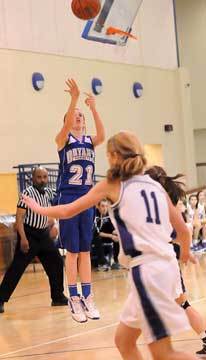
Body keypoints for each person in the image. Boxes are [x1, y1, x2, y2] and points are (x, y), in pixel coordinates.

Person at [23, 131, 198, 360]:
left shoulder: (113, 184)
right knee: (124, 342)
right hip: (164, 266)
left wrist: (39, 209)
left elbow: (67, 210)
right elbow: (184, 231)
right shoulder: (155, 186)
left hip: (148, 272)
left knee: (164, 353)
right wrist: (185, 254)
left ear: (114, 156)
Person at [55, 78, 105, 322]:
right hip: (68, 198)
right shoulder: (63, 140)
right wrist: (73, 100)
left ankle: (88, 295)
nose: (78, 117)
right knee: (72, 252)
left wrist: (93, 108)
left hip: (87, 198)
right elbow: (64, 128)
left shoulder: (89, 141)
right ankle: (73, 297)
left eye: (80, 115)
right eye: (74, 115)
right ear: (66, 120)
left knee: (85, 250)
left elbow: (103, 135)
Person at [145, 165, 206, 357]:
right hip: (162, 260)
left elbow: (180, 232)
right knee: (181, 304)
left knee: (174, 305)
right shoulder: (161, 200)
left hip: (160, 261)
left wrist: (185, 253)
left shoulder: (157, 203)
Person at [0, 167, 67, 314]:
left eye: (45, 177)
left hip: (44, 235)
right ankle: (0, 299)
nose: (42, 180)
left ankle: (57, 296)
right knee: (17, 268)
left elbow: (60, 204)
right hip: (29, 235)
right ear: (33, 178)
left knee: (56, 262)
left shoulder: (49, 192)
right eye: (39, 177)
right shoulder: (27, 193)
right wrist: (23, 239)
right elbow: (19, 218)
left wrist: (54, 224)